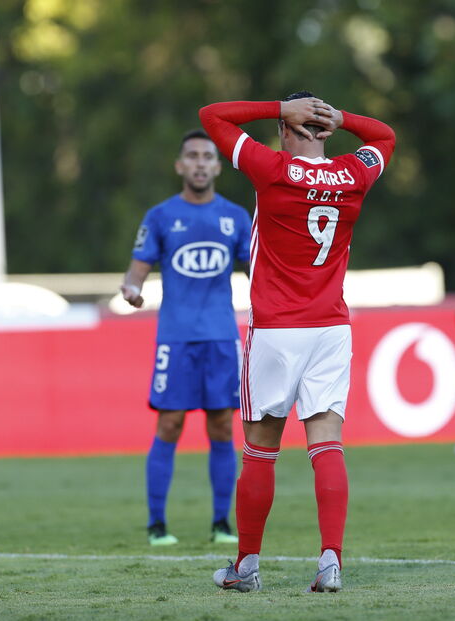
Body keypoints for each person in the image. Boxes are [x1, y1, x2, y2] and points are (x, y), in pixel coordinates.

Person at [199, 92, 395, 592]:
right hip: (330, 326)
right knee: (326, 442)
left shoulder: (271, 168)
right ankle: (331, 560)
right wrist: (343, 118)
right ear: (324, 132)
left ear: (288, 128)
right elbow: (385, 137)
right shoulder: (354, 174)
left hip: (276, 328)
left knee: (261, 450)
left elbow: (211, 117)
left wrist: (276, 107)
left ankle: (246, 567)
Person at [120, 129, 251, 546]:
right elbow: (137, 268)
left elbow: (259, 272)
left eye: (206, 156)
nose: (198, 162)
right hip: (175, 338)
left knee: (221, 427)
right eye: (191, 156)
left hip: (221, 337)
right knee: (170, 424)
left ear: (217, 166)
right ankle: (157, 524)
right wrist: (131, 289)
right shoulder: (160, 216)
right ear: (180, 166)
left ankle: (221, 523)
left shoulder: (235, 217)